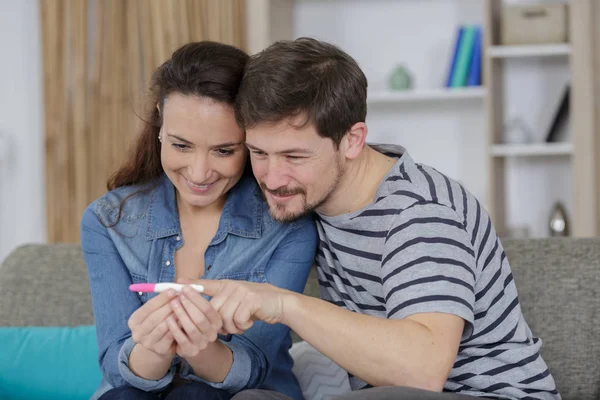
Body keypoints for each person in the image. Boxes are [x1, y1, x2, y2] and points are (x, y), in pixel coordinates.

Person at [189, 37, 560, 400]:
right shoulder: (306, 196)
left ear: (352, 140)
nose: (271, 178)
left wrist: (284, 305)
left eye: (294, 157)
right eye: (259, 152)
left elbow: (423, 370)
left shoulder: (420, 213)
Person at [80, 41, 317, 400]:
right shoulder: (108, 221)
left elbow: (257, 366)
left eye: (224, 151)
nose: (199, 172)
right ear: (160, 121)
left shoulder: (286, 226)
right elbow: (117, 365)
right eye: (181, 146)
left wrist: (199, 348)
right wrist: (153, 349)